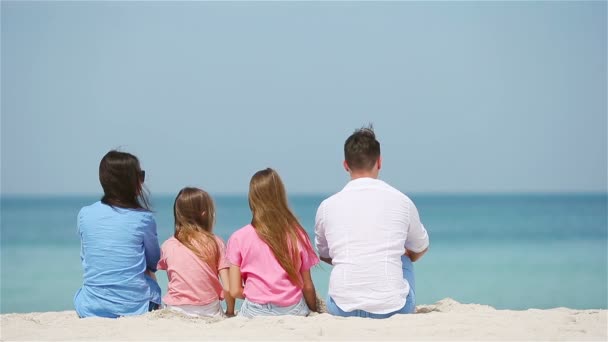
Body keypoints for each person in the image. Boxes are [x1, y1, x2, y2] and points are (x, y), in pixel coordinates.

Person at [315, 126, 430, 318]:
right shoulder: (401, 201)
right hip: (393, 308)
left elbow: (325, 254)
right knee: (403, 254)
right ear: (379, 162)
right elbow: (421, 248)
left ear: (345, 164)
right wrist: (403, 254)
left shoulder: (327, 207)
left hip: (341, 309)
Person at [74, 150, 161, 318]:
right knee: (148, 274)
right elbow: (153, 263)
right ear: (131, 182)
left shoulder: (85, 214)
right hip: (137, 308)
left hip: (90, 307)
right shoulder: (144, 218)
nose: (143, 181)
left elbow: (85, 257)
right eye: (140, 176)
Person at [226, 168, 319, 317]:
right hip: (292, 309)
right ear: (280, 196)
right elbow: (307, 286)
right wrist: (314, 311)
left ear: (252, 198)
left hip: (255, 310)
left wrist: (257, 296)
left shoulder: (238, 237)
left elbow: (235, 290)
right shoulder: (297, 234)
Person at [157, 187, 235, 317]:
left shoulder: (168, 245)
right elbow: (227, 288)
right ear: (204, 214)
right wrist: (230, 311)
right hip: (209, 310)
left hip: (175, 310)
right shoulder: (216, 243)